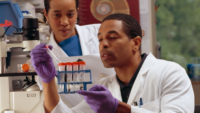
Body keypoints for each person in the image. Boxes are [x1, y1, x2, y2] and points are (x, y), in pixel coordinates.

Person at [31, 13, 194, 113]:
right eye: (100, 39)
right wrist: (48, 81)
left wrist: (118, 109)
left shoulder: (170, 73)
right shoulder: (104, 87)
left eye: (112, 37)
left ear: (135, 43)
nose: (103, 44)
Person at [37, 0, 101, 106]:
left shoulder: (100, 32)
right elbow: (52, 106)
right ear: (46, 15)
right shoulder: (45, 61)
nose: (64, 22)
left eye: (70, 14)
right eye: (57, 15)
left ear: (77, 12)